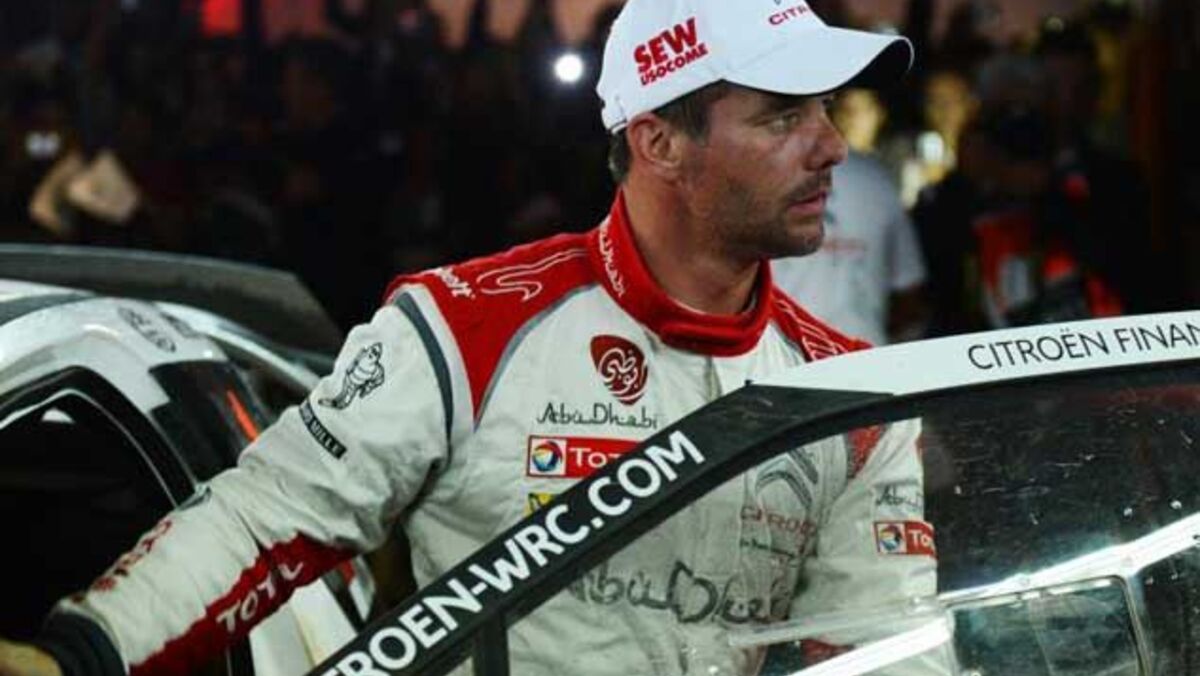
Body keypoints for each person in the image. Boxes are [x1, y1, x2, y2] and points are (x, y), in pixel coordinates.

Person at [0, 1, 936, 674]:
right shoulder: (466, 326)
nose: (832, 146)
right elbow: (267, 516)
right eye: (784, 116)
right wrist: (80, 657)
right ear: (659, 143)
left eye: (825, 110)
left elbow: (886, 646)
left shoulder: (849, 396)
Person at [773, 150, 928, 345]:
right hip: (862, 348)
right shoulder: (877, 179)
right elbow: (909, 290)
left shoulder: (771, 174)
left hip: (786, 350)